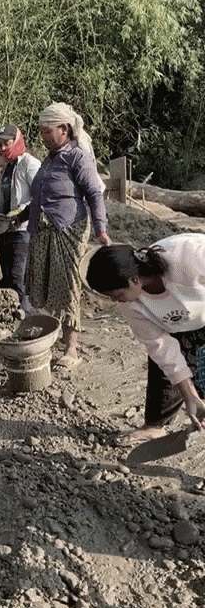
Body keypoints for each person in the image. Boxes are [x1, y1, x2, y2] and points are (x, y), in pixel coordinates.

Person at [85, 233, 205, 440]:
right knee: (164, 365)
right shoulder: (129, 304)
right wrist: (190, 397)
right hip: (182, 321)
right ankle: (155, 426)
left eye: (117, 294)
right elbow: (160, 346)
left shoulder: (190, 255)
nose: (115, 301)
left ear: (134, 280)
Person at [23, 102, 111, 369]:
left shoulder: (77, 156)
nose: (42, 135)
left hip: (67, 230)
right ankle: (49, 337)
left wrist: (101, 229)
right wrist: (22, 216)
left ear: (64, 129)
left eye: (47, 130)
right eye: (40, 131)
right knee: (43, 285)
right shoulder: (50, 159)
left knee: (66, 285)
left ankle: (71, 348)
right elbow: (41, 196)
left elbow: (94, 193)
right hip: (42, 230)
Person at [0, 124, 41, 313]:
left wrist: (23, 213)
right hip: (4, 229)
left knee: (19, 278)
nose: (2, 148)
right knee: (7, 277)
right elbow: (0, 199)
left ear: (17, 141)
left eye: (6, 143)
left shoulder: (30, 164)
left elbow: (41, 195)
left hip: (23, 231)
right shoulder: (5, 169)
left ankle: (28, 319)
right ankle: (10, 318)